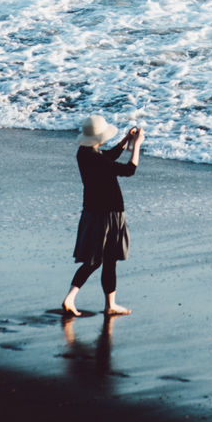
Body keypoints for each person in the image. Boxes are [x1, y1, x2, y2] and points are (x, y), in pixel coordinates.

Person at [62, 115, 144, 317]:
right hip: (109, 214)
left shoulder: (84, 154)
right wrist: (137, 146)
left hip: (93, 211)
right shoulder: (97, 159)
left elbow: (109, 156)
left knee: (98, 260)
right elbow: (129, 170)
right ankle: (79, 299)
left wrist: (126, 140)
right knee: (103, 260)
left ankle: (102, 303)